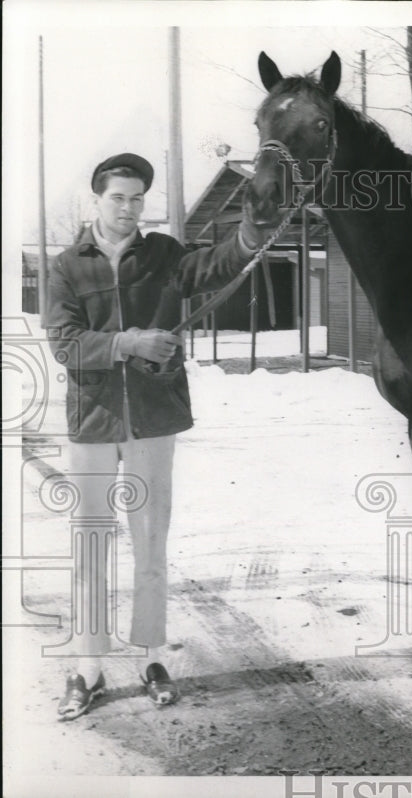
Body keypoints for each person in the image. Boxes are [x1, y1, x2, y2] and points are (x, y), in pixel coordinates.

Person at [46, 153, 272, 720]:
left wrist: (250, 233)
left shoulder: (166, 254)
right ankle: (89, 667)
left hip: (154, 420)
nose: (128, 208)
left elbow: (216, 266)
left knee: (150, 545)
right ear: (96, 200)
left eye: (137, 198)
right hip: (93, 424)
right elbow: (65, 342)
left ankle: (150, 655)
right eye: (117, 197)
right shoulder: (67, 266)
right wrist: (129, 342)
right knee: (91, 546)